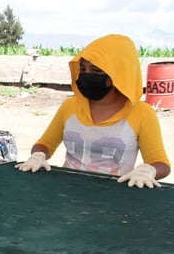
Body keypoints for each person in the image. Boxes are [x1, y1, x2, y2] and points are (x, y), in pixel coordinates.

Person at [16, 34, 170, 187]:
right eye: (83, 69)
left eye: (96, 71)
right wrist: (38, 155)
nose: (87, 75)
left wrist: (148, 170)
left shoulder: (142, 113)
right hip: (67, 189)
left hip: (114, 196)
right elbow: (45, 144)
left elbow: (161, 163)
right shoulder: (70, 106)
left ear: (117, 74)